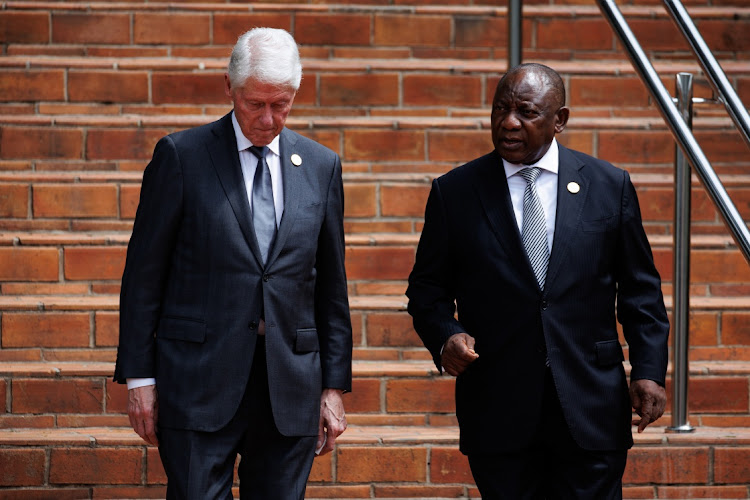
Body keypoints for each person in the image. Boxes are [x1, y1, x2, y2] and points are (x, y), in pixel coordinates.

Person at [406, 63, 669, 499]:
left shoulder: (609, 185)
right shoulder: (455, 192)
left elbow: (640, 290)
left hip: (591, 403)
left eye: (526, 112)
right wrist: (444, 335)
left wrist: (648, 371)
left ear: (559, 119)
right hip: (498, 405)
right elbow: (426, 290)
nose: (509, 122)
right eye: (500, 110)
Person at [114, 27, 352, 500]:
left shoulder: (322, 166)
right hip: (198, 380)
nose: (268, 119)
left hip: (289, 384)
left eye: (280, 104)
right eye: (254, 103)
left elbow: (330, 286)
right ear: (230, 88)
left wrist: (332, 386)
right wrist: (140, 378)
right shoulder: (182, 157)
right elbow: (144, 276)